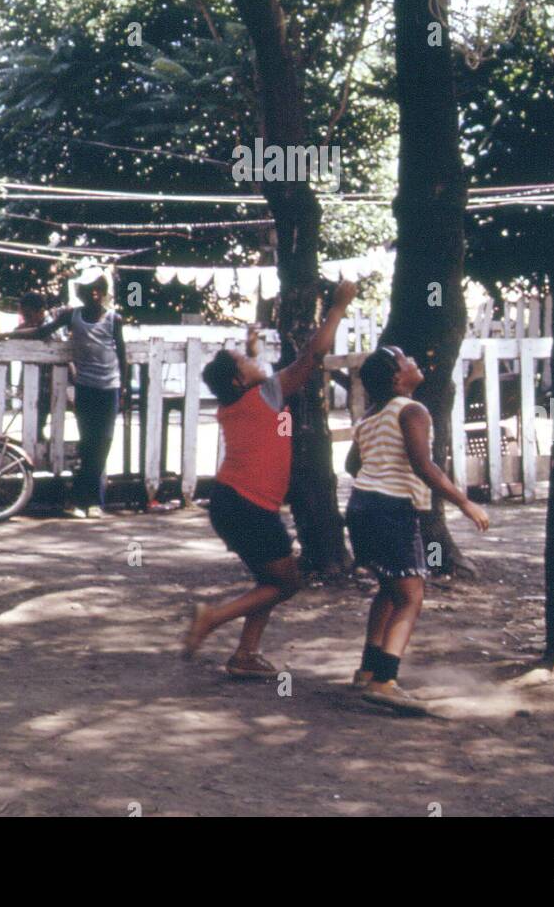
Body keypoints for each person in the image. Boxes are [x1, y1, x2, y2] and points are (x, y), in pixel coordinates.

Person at [183, 280, 358, 679]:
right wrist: (338, 307)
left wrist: (252, 348)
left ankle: (246, 655)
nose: (254, 362)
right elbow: (313, 355)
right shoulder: (267, 394)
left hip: (231, 502)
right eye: (245, 362)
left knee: (268, 579)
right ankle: (211, 618)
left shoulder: (240, 401)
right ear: (239, 381)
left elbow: (253, 374)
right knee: (286, 583)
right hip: (248, 506)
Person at [344, 345, 490, 715]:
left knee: (389, 589)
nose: (415, 361)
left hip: (361, 506)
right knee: (411, 595)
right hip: (391, 510)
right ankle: (385, 681)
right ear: (397, 377)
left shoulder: (370, 418)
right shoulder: (412, 410)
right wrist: (465, 502)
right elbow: (426, 467)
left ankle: (367, 668)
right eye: (407, 360)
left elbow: (352, 464)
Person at [0, 270, 129, 518]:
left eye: (93, 290)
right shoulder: (72, 315)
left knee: (103, 443)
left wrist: (124, 389)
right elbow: (41, 332)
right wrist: (4, 335)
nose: (88, 294)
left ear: (100, 293)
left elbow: (122, 356)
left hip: (110, 388)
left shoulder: (113, 319)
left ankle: (85, 499)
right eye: (84, 290)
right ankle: (89, 501)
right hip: (86, 387)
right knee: (88, 445)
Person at [17, 291, 52, 444]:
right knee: (30, 417)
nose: (27, 319)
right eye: (25, 316)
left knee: (42, 417)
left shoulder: (50, 325)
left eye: (29, 315)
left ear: (41, 311)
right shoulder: (24, 327)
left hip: (49, 379)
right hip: (31, 377)